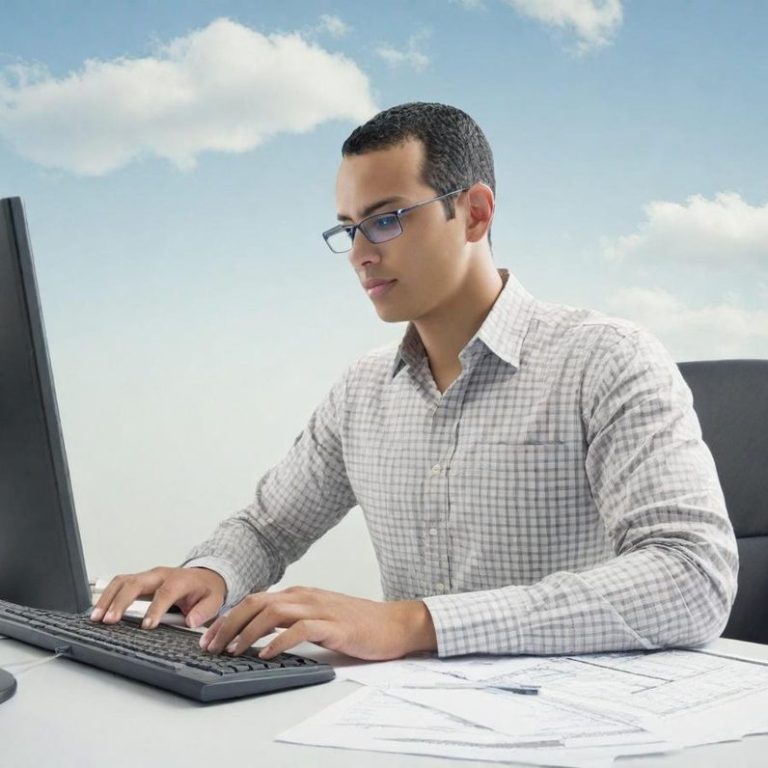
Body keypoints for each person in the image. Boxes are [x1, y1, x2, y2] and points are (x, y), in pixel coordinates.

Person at [91, 102, 738, 662]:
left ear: (476, 213)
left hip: (587, 727)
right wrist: (208, 574)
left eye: (386, 219)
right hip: (407, 727)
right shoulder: (363, 392)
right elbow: (268, 529)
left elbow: (693, 577)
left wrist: (412, 623)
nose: (360, 253)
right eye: (348, 228)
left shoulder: (607, 360)